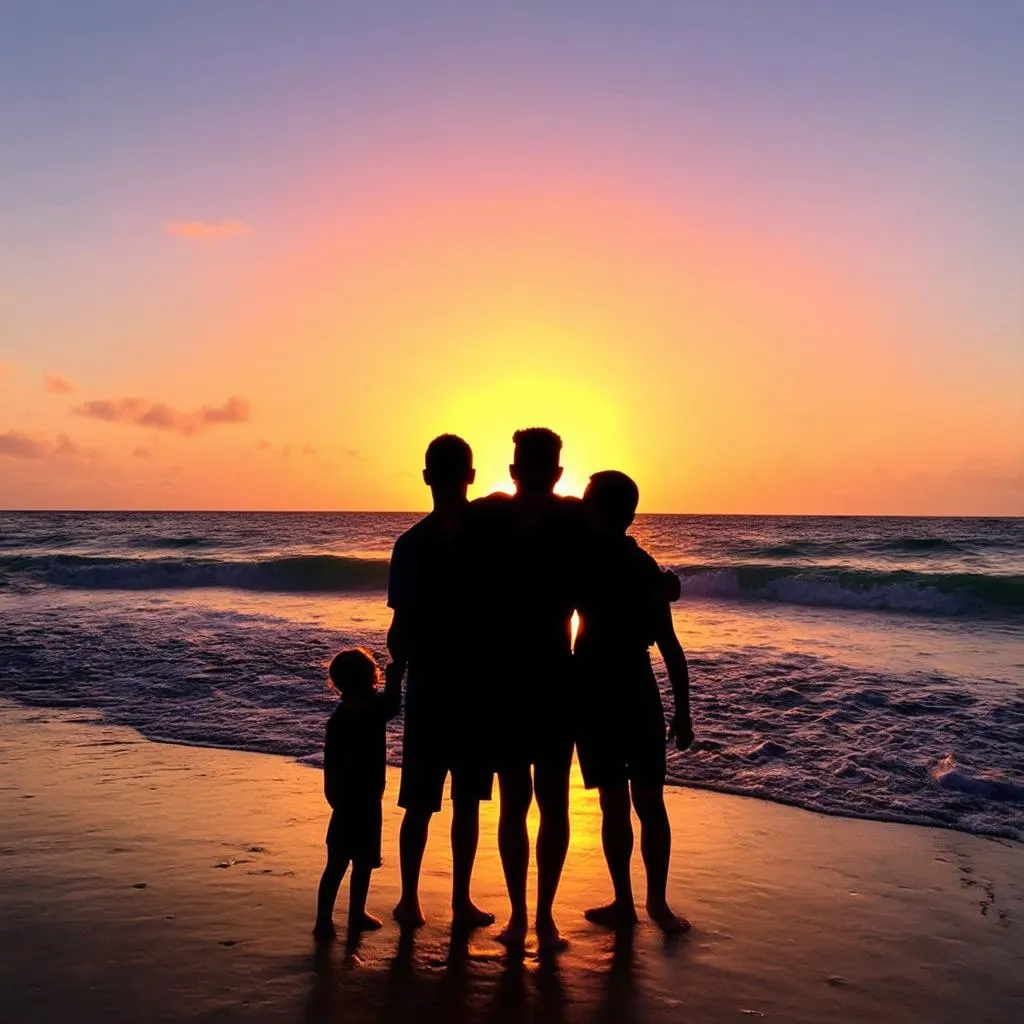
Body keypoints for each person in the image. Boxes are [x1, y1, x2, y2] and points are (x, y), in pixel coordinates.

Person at [468, 427, 583, 952]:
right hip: (520, 680)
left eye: (535, 464)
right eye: (528, 464)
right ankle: (527, 916)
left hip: (541, 681)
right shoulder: (498, 516)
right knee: (526, 802)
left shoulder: (565, 518)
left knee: (540, 803)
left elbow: (614, 548)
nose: (532, 473)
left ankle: (537, 916)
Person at [574, 470, 694, 934]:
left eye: (588, 500)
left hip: (612, 689)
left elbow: (668, 643)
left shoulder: (615, 563)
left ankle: (648, 902)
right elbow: (669, 645)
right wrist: (682, 710)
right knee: (626, 803)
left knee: (638, 802)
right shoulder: (636, 565)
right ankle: (634, 902)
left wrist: (683, 710)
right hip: (621, 690)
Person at [388, 434, 495, 929]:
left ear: (427, 475)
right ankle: (458, 900)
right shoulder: (489, 533)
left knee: (421, 802)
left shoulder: (411, 545)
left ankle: (412, 899)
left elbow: (399, 630)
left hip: (432, 685)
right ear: (469, 475)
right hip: (471, 685)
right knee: (463, 801)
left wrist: (397, 674)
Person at [314, 647, 401, 941]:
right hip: (364, 801)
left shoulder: (341, 716)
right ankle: (355, 913)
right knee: (361, 863)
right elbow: (391, 706)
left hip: (344, 802)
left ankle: (324, 919)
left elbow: (330, 761)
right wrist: (396, 677)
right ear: (369, 679)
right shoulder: (368, 710)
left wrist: (332, 794)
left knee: (336, 865)